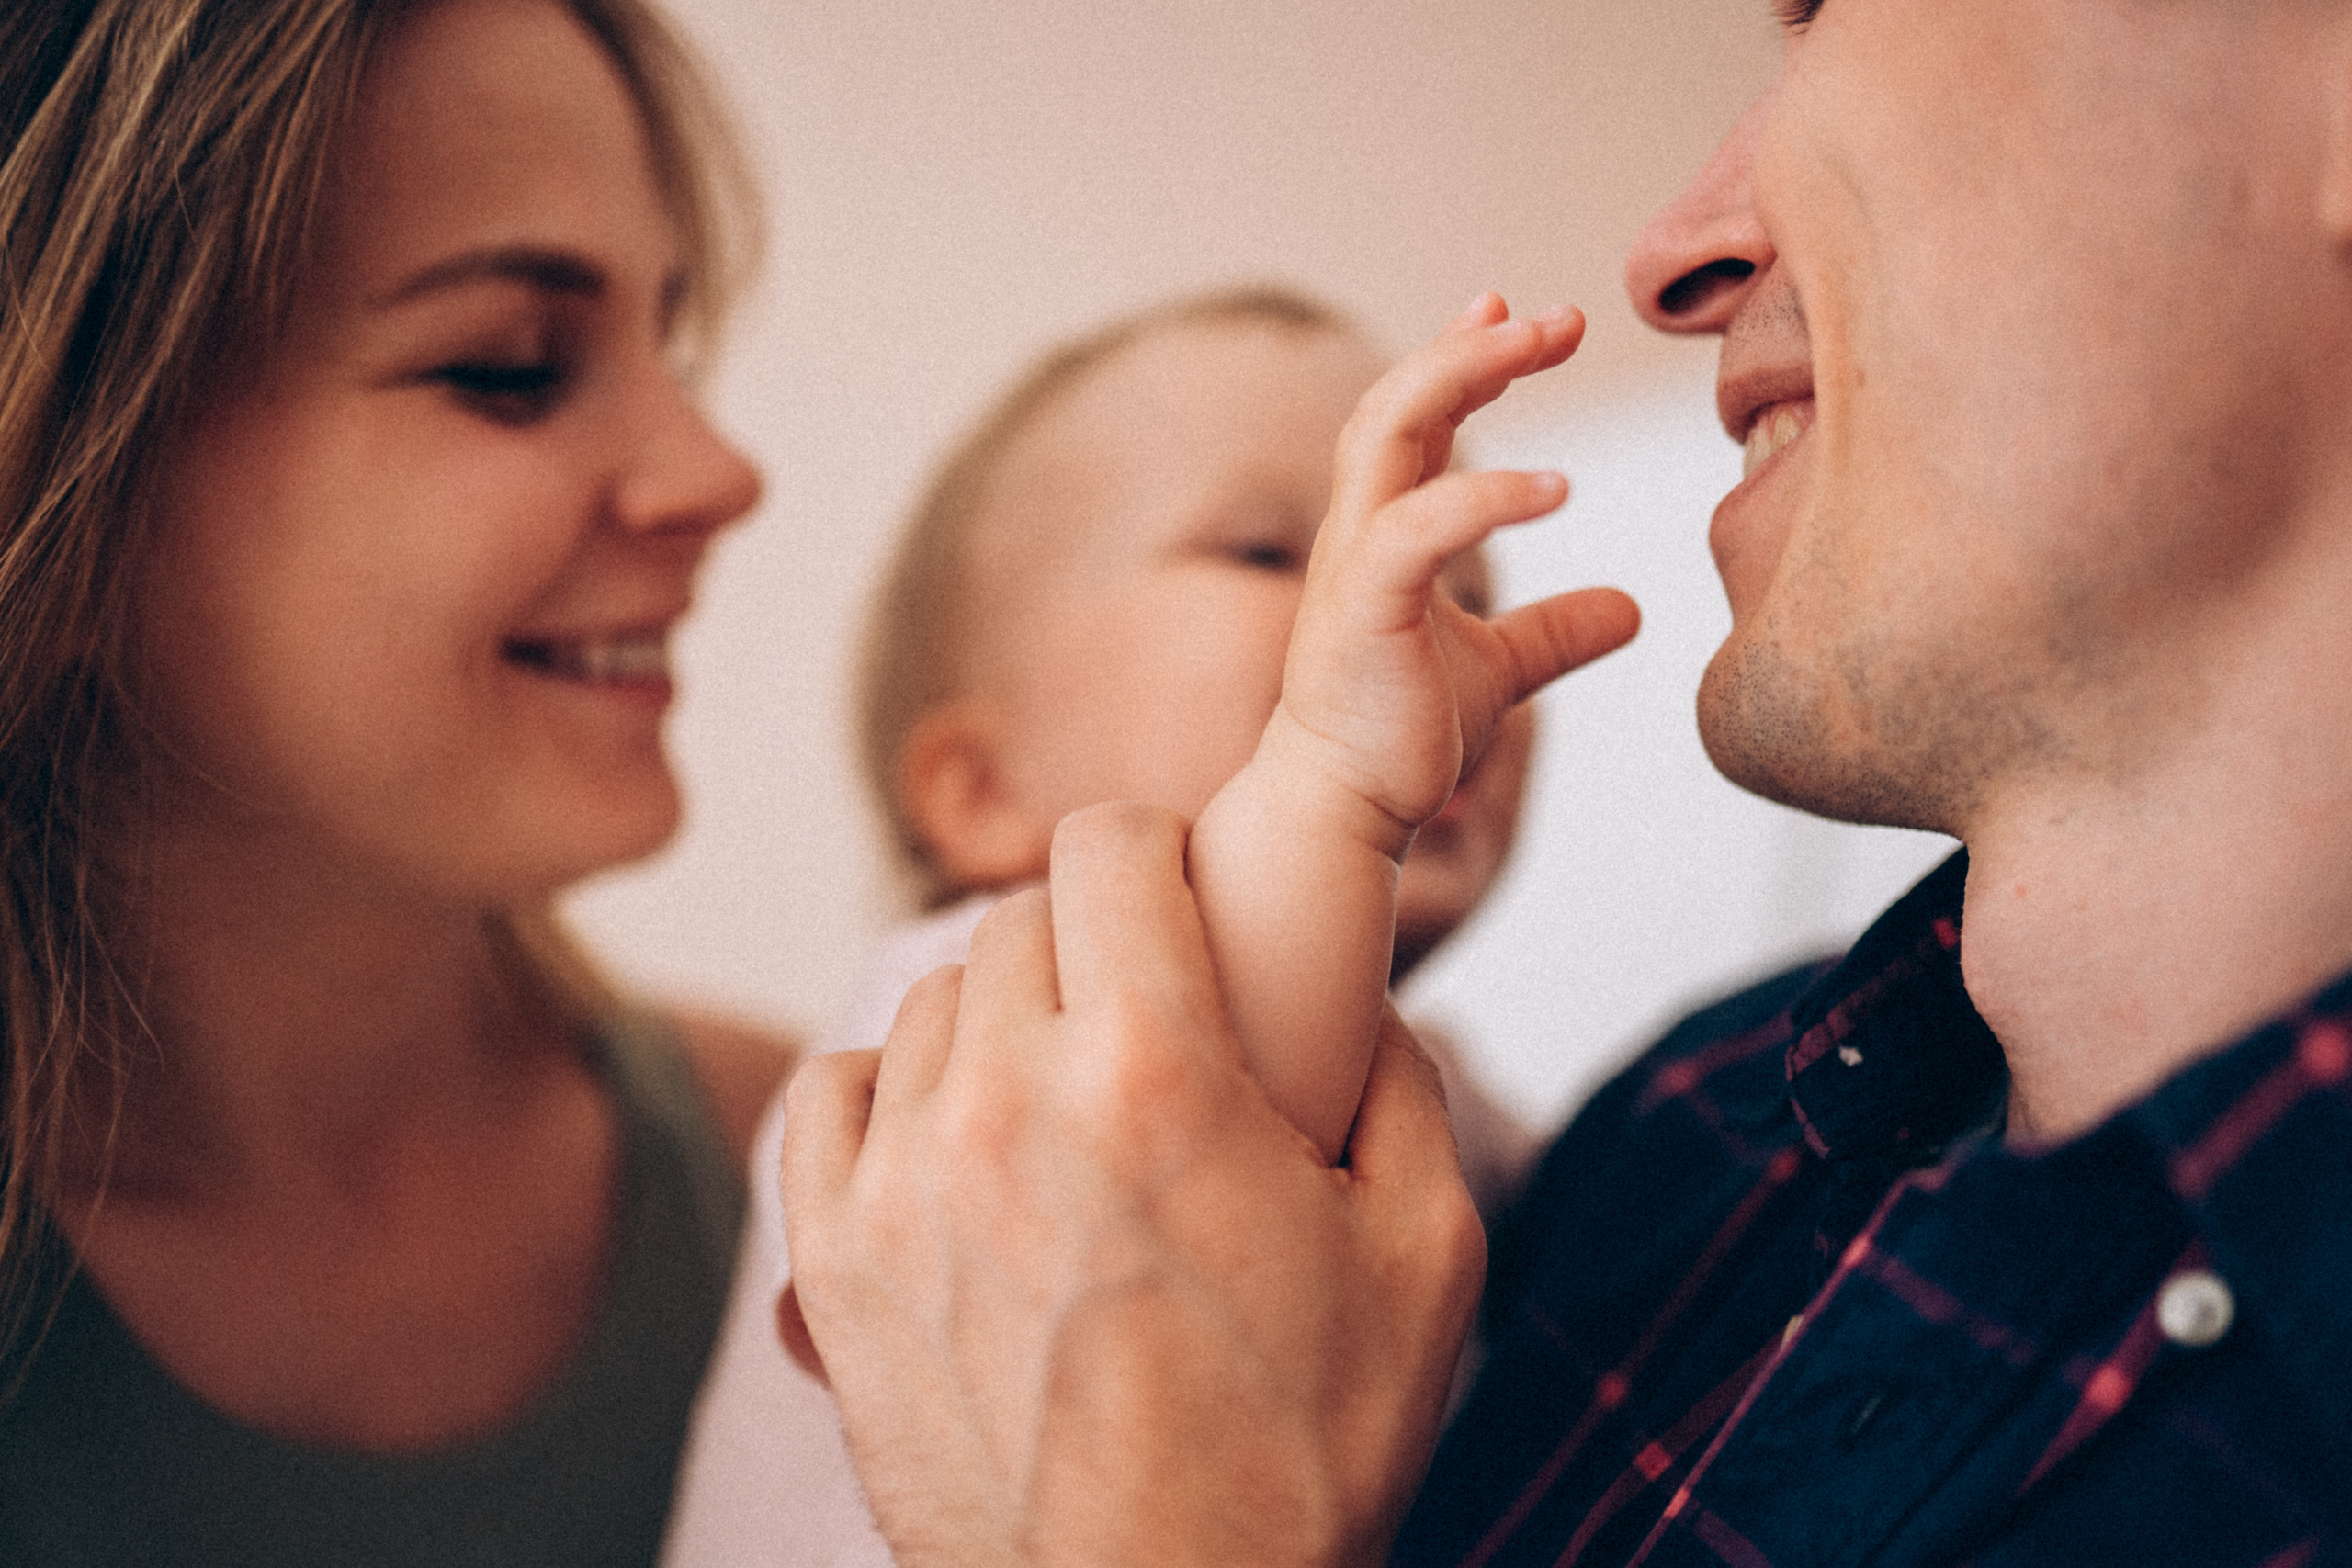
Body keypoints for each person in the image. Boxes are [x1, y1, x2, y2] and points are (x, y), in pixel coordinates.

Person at [777, 1, 2352, 1563]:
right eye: (1271, 552)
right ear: (962, 782)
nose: (1674, 257)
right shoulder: (1679, 1146)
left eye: (1827, 9)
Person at [0, 2, 793, 1562]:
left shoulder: (821, 1176)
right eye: (510, 368)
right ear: (66, 488)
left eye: (672, 339)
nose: (717, 472)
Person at [661, 288, 1559, 1568]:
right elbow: (1217, 1097)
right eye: (1265, 551)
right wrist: (1341, 789)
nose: (1406, 604)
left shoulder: (1432, 1081)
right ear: (977, 792)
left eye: (1464, 577)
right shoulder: (955, 1015)